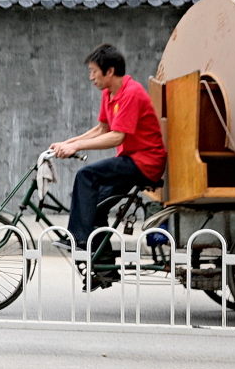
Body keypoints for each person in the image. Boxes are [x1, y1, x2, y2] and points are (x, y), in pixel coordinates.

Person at [49, 44, 167, 275]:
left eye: (94, 71)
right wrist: (68, 142)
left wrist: (75, 145)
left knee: (86, 175)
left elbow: (116, 136)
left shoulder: (131, 93)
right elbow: (103, 128)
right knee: (97, 205)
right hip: (130, 159)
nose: (91, 76)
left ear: (109, 71)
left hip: (145, 162)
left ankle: (78, 238)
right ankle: (106, 269)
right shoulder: (109, 93)